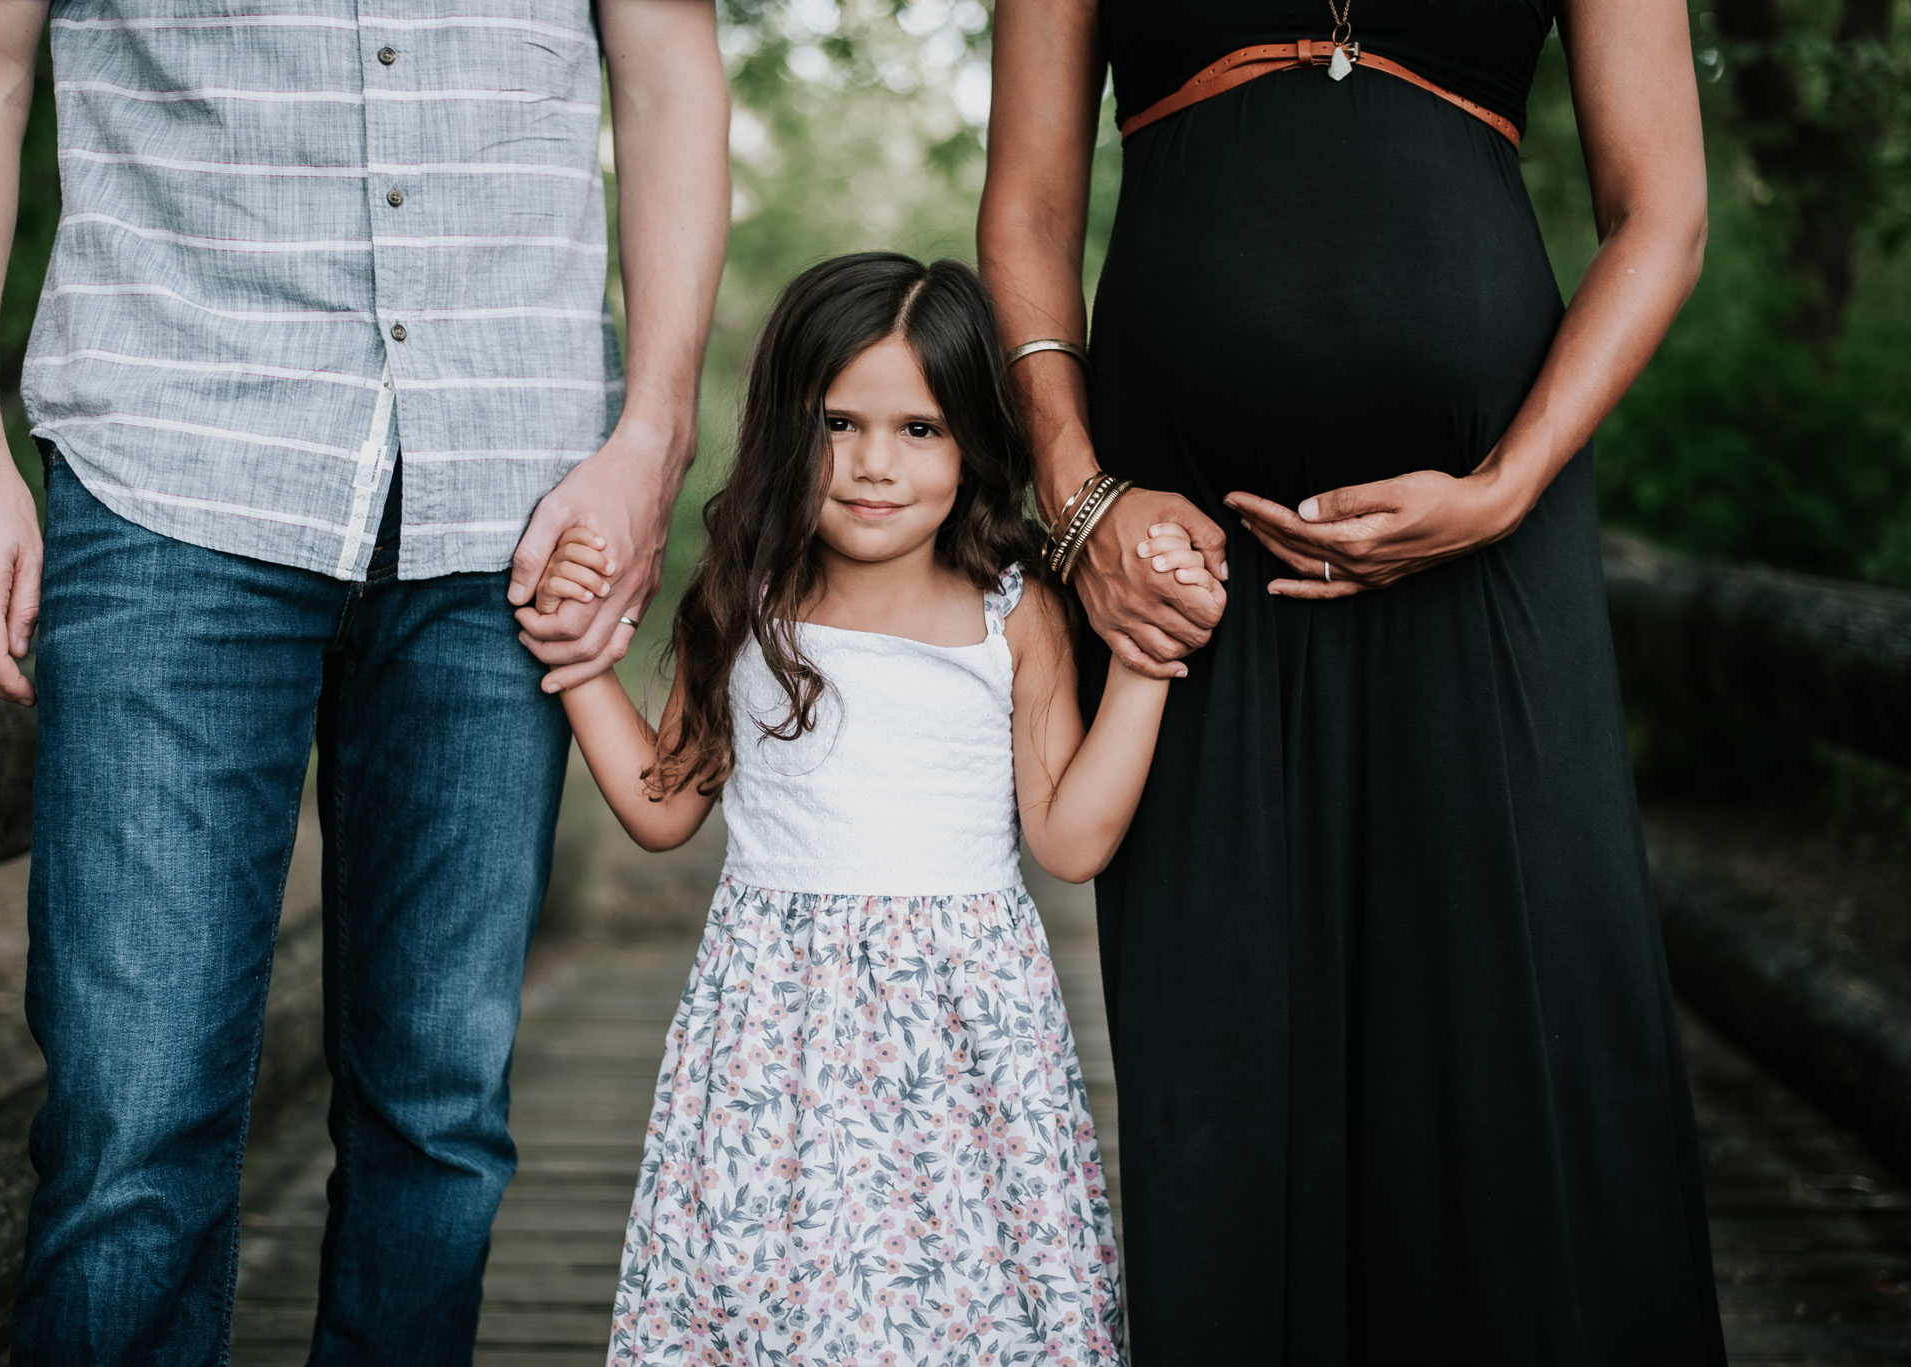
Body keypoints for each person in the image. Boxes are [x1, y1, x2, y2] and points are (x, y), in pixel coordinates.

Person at [0, 0, 727, 1358]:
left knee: (439, 1113)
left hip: (508, 487)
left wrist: (652, 435)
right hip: (169, 453)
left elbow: (671, 70)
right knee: (133, 1117)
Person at [978, 0, 1726, 1362]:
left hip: (1497, 532)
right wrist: (1078, 501)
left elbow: (1663, 208)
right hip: (1185, 555)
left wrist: (1503, 489)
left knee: (1523, 1032)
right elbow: (1027, 211)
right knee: (1229, 1046)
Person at [539, 253, 1192, 1366]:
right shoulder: (746, 600)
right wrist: (576, 662)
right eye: (837, 422)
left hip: (964, 1034)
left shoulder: (1013, 610)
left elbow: (1069, 837)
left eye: (918, 429)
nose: (871, 464)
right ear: (788, 429)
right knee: (768, 1290)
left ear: (973, 440)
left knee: (967, 1301)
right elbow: (662, 807)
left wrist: (1142, 661)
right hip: (770, 1035)